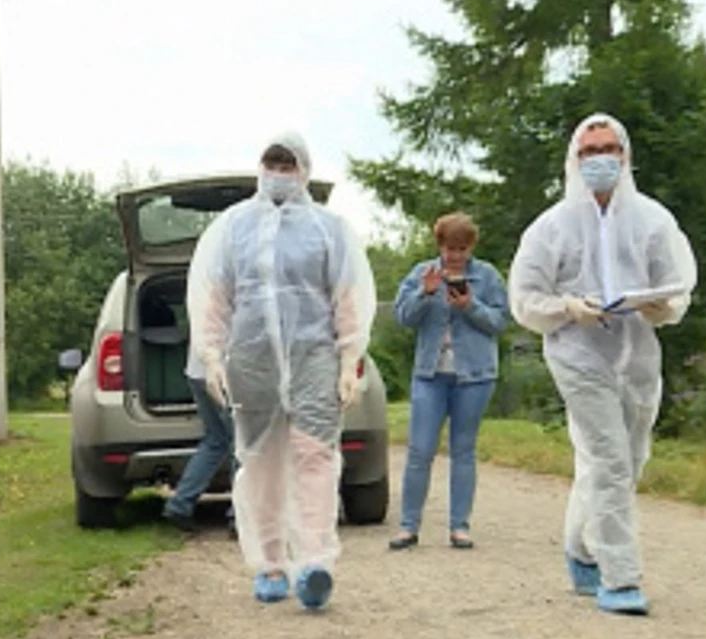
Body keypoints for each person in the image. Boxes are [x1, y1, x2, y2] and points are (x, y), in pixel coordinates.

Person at [507, 113, 697, 617]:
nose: (600, 159)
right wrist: (566, 307)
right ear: (574, 158)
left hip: (637, 356)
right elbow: (525, 296)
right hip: (578, 354)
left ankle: (580, 547)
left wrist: (664, 306)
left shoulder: (653, 221)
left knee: (625, 461)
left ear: (625, 156)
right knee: (609, 459)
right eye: (589, 151)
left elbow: (676, 281)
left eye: (609, 148)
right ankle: (621, 576)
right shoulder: (551, 227)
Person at [186, 133, 376, 610]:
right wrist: (211, 354)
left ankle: (315, 562)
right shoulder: (233, 228)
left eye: (287, 163)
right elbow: (216, 296)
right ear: (260, 166)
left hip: (313, 355)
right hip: (252, 359)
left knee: (316, 455)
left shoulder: (329, 229)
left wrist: (349, 360)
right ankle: (269, 561)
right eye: (272, 162)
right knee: (262, 462)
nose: (278, 170)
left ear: (304, 169)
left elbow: (346, 297)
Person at [389, 212, 510, 551]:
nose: (455, 255)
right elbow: (402, 317)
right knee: (420, 449)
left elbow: (500, 321)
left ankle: (459, 526)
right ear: (439, 245)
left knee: (463, 450)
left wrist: (470, 306)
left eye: (461, 248)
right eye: (449, 248)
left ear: (470, 247)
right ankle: (408, 526)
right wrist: (425, 294)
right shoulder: (421, 273)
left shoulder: (486, 277)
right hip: (430, 374)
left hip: (474, 376)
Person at [161, 344, 238, 535]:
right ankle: (239, 515)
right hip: (225, 371)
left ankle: (180, 504)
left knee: (216, 439)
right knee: (242, 443)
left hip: (196, 370)